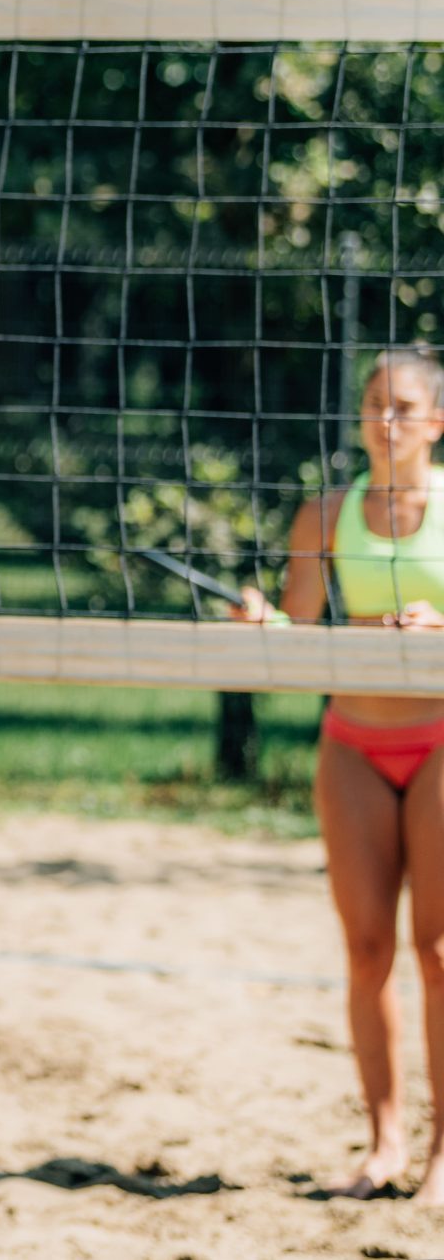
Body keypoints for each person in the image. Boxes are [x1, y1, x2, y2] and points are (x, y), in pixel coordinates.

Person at [238, 348, 444, 1201]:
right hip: (353, 742)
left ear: (436, 421)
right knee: (367, 951)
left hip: (439, 738)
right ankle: (385, 1142)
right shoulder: (325, 514)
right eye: (371, 403)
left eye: (400, 406)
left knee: (438, 952)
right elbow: (298, 630)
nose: (383, 420)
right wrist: (260, 621)